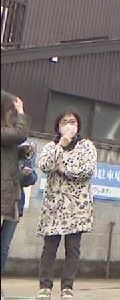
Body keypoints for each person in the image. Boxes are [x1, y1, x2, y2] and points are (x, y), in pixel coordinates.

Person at [36, 110, 97, 300]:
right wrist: (60, 146)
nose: (69, 124)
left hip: (76, 207)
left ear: (78, 125)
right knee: (49, 248)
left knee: (72, 248)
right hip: (54, 206)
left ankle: (67, 288)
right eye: (64, 121)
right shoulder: (51, 146)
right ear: (58, 125)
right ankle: (45, 286)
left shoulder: (87, 146)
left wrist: (64, 169)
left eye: (72, 121)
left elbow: (87, 170)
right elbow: (45, 165)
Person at [1, 91, 31, 283]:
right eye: (11, 110)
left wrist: (22, 152)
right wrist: (21, 112)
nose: (13, 113)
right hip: (4, 193)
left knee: (3, 247)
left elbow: (7, 154)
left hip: (10, 195)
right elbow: (19, 134)